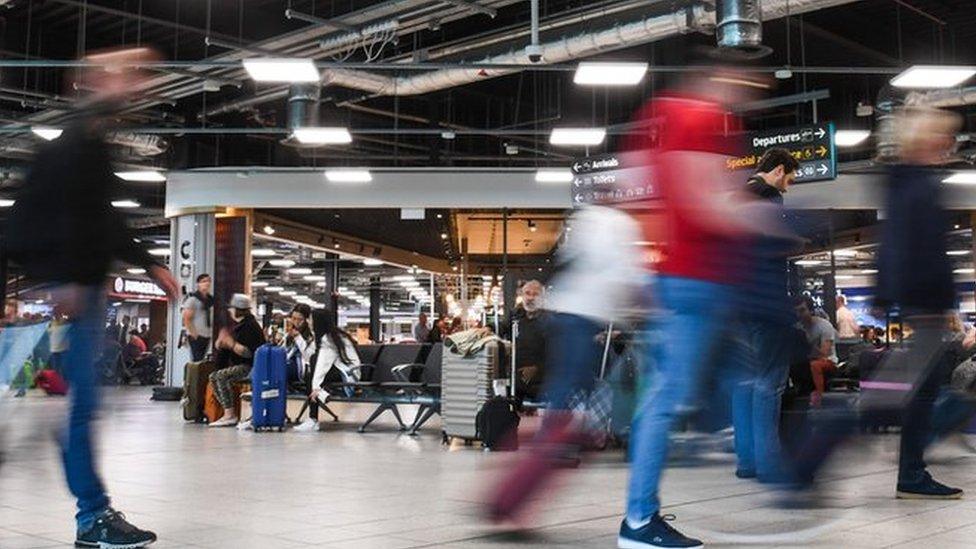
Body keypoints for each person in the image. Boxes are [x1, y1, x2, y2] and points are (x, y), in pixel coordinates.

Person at [2, 47, 179, 549]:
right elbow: (28, 222)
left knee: (84, 409)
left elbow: (102, 215)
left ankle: (88, 503)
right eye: (130, 74)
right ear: (92, 81)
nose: (139, 83)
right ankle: (93, 517)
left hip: (85, 292)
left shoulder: (91, 141)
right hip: (80, 294)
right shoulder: (75, 143)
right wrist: (66, 277)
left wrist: (150, 262)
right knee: (82, 411)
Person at [618, 65, 773, 549]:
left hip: (689, 278)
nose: (751, 92)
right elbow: (701, 198)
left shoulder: (658, 114)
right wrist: (761, 222)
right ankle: (640, 522)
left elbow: (639, 182)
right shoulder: (701, 115)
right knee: (668, 399)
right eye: (749, 83)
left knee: (733, 376)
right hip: (697, 279)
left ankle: (704, 437)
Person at [486, 205, 644, 521]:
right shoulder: (615, 221)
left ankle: (557, 442)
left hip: (568, 316)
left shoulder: (587, 219)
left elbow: (577, 264)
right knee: (575, 386)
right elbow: (624, 276)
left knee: (576, 384)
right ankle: (555, 443)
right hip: (581, 319)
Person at [732, 147, 802, 483]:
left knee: (745, 383)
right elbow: (773, 246)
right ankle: (769, 464)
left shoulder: (736, 198)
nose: (788, 186)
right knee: (769, 385)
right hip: (766, 302)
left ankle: (747, 460)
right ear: (777, 171)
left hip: (737, 304)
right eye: (789, 178)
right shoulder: (770, 196)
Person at [296, 309, 361, 432]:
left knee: (312, 371)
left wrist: (316, 387)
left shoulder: (328, 339)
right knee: (311, 368)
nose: (308, 322)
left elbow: (322, 364)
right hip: (339, 370)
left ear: (318, 322)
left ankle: (313, 417)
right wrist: (299, 339)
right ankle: (318, 404)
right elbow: (307, 356)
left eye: (310, 319)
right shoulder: (325, 336)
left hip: (348, 374)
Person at [208, 294, 266, 427]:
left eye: (232, 308)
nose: (230, 311)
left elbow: (248, 353)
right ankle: (228, 412)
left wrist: (231, 344)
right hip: (243, 365)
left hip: (250, 367)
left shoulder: (250, 326)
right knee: (214, 376)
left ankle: (230, 415)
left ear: (239, 309)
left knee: (220, 377)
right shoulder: (241, 325)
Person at [796, 295, 838, 407]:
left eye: (802, 310)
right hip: (805, 360)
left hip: (828, 361)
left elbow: (824, 353)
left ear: (811, 310)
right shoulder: (798, 327)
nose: (799, 314)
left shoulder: (824, 326)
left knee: (815, 365)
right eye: (797, 311)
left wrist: (806, 343)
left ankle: (820, 398)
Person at [510, 280, 548, 400]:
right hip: (516, 382)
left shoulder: (550, 321)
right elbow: (501, 327)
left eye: (535, 294)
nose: (530, 298)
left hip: (540, 384)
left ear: (542, 298)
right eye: (527, 293)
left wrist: (537, 369)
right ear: (522, 296)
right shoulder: (516, 316)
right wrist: (487, 328)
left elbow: (558, 354)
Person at [181, 273, 213, 362]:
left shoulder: (211, 300)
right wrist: (194, 334)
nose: (207, 283)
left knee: (203, 359)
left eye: (208, 281)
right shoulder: (193, 299)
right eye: (204, 281)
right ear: (198, 284)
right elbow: (187, 318)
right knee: (197, 360)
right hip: (196, 335)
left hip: (206, 334)